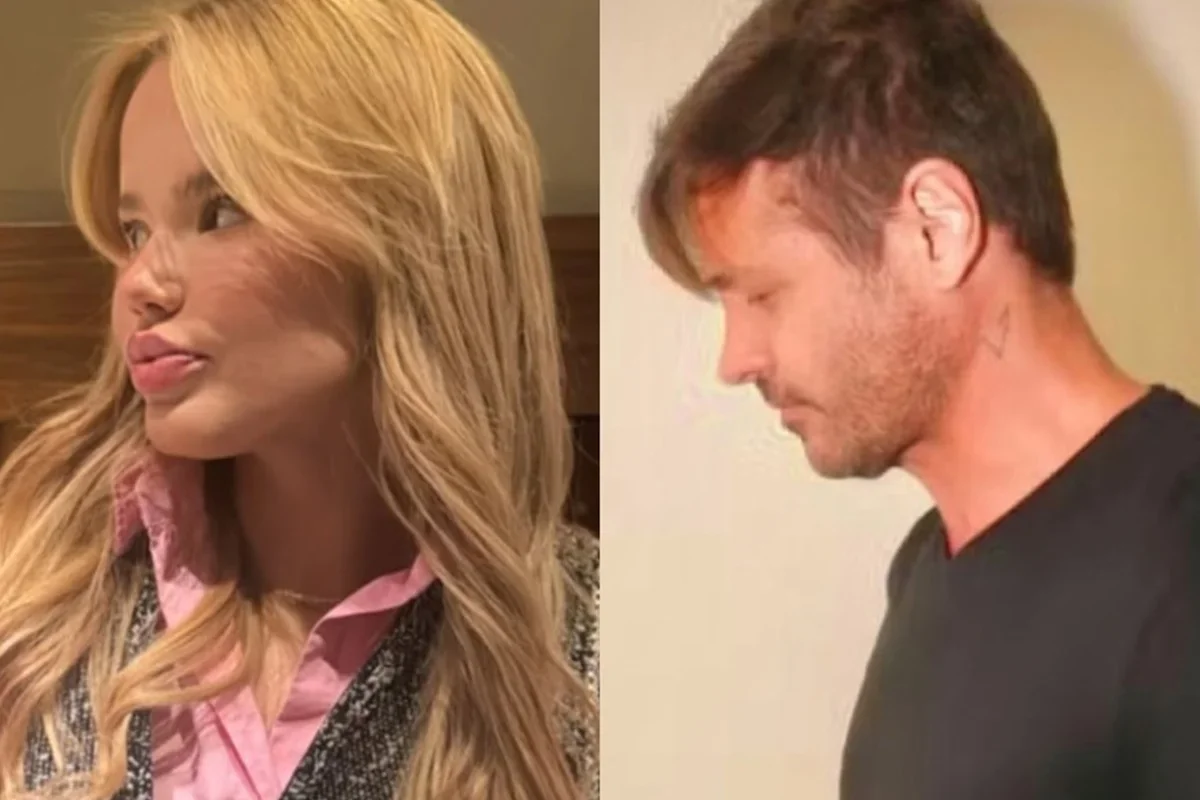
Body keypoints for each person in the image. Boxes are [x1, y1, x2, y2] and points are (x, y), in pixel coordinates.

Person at [0, 0, 598, 798]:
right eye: (133, 231)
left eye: (220, 211)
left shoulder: (596, 649)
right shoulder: (33, 600)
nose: (140, 282)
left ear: (407, 233)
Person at [636, 0, 1200, 797]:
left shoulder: (1180, 567)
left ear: (937, 229)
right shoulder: (924, 569)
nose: (736, 360)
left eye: (763, 294)